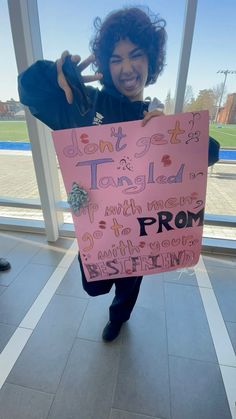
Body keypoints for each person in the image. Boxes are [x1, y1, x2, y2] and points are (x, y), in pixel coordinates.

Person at [18, 7, 218, 341]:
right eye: (116, 58)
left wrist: (173, 132)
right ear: (105, 65)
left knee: (128, 288)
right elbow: (28, 91)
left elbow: (209, 153)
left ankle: (119, 319)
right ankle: (112, 303)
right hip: (98, 229)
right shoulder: (82, 104)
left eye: (136, 56)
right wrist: (54, 74)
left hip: (140, 230)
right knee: (94, 287)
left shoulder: (151, 119)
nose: (126, 68)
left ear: (151, 62)